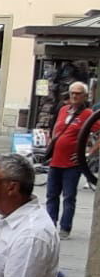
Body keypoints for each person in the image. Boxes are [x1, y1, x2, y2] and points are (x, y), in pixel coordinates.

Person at [43, 81, 94, 239]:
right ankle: (50, 225)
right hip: (55, 161)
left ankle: (65, 227)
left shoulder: (88, 114)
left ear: (85, 96)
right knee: (51, 195)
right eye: (72, 92)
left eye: (78, 93)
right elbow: (56, 129)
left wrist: (88, 153)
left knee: (69, 196)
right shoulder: (63, 110)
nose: (74, 96)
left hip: (72, 163)